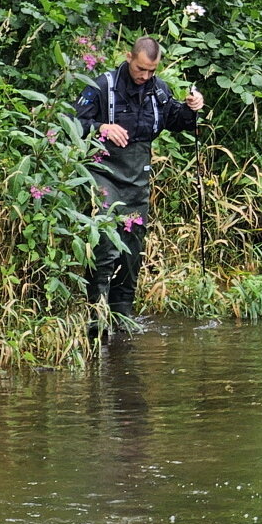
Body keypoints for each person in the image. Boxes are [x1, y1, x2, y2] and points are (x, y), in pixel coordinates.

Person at [74, 36, 204, 318]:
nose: (145, 76)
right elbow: (73, 123)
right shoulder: (102, 86)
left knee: (132, 248)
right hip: (103, 173)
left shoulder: (159, 91)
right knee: (105, 242)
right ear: (129, 57)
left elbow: (179, 122)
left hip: (137, 178)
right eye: (140, 69)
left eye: (151, 71)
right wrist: (101, 128)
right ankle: (95, 315)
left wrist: (192, 108)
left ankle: (123, 316)